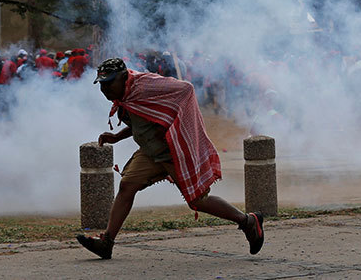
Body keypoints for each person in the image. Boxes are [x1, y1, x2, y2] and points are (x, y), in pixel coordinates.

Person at [76, 58, 264, 260]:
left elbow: (186, 89)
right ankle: (107, 242)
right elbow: (146, 119)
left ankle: (248, 222)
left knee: (198, 201)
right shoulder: (125, 95)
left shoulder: (145, 85)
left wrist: (178, 129)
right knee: (127, 186)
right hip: (151, 152)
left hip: (173, 152)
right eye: (101, 84)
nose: (104, 89)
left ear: (123, 78)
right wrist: (117, 136)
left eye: (108, 83)